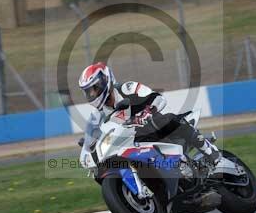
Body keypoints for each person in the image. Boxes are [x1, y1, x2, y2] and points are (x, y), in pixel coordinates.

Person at [78, 62, 221, 164]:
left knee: (169, 120)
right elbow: (96, 131)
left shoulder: (127, 88)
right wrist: (88, 144)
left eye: (94, 88)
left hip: (154, 126)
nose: (92, 93)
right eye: (88, 91)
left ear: (105, 80)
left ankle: (209, 150)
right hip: (132, 140)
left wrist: (146, 113)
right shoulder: (98, 113)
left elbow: (158, 99)